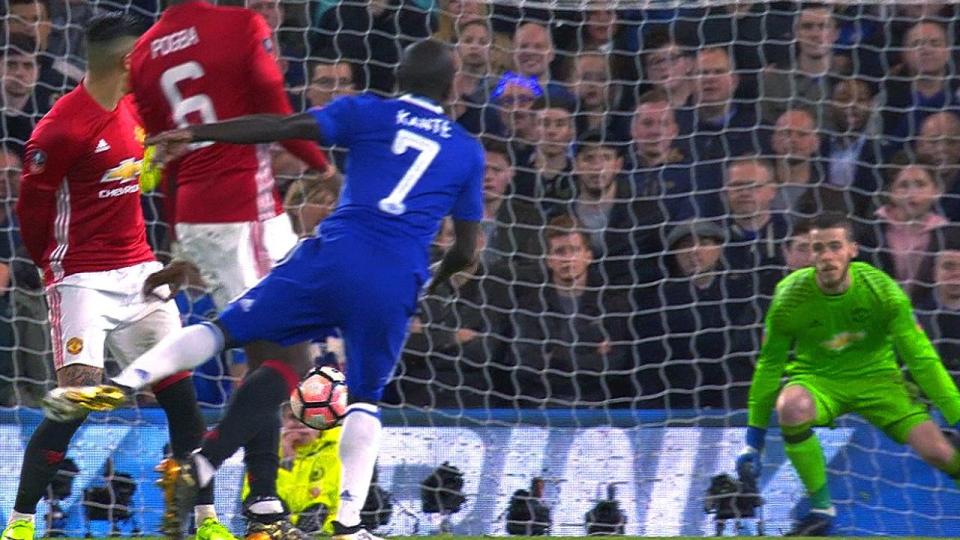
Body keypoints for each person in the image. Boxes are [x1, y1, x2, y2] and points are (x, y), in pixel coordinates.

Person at [44, 39, 482, 540]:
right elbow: (467, 250)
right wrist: (432, 280)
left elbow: (282, 127)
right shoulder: (466, 150)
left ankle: (124, 384)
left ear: (398, 80)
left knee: (224, 329)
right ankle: (348, 524)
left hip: (331, 256)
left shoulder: (368, 110)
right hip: (395, 275)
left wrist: (197, 132)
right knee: (365, 399)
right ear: (451, 87)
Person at [3, 14, 232, 540]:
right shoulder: (60, 128)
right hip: (81, 279)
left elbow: (143, 171)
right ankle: (19, 523)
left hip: (141, 273)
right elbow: (32, 212)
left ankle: (207, 519)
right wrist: (53, 270)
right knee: (75, 403)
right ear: (129, 61)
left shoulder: (139, 108)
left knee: (182, 400)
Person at [126, 1, 333, 535]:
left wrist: (177, 239)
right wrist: (320, 163)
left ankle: (263, 504)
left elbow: (162, 154)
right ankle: (204, 465)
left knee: (262, 357)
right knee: (291, 352)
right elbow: (276, 109)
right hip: (244, 208)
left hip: (197, 213)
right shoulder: (241, 25)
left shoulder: (143, 53)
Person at [736, 212, 960, 536]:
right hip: (818, 379)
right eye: (817, 249)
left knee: (938, 451)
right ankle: (821, 509)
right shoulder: (788, 297)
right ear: (809, 254)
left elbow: (923, 359)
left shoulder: (882, 290)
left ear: (852, 249)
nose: (826, 256)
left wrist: (956, 417)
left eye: (834, 246)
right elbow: (769, 366)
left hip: (879, 380)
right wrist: (752, 442)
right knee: (791, 405)